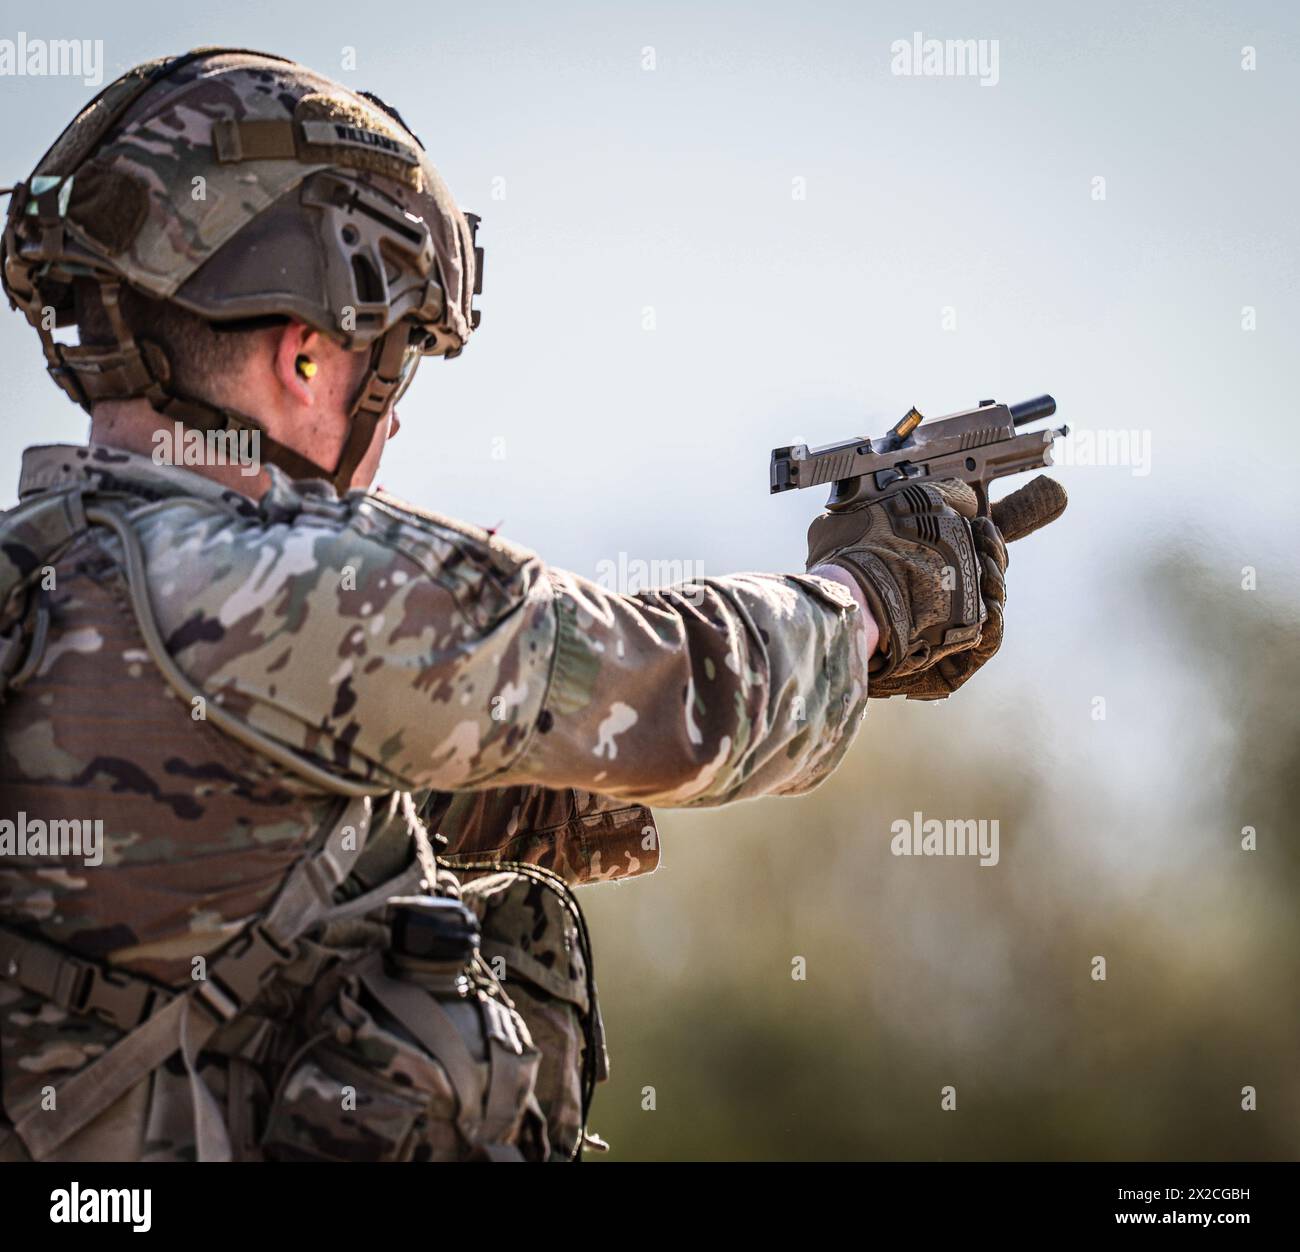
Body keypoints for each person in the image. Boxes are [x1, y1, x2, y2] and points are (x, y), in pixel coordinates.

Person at [0, 48, 1065, 1162]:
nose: (394, 418)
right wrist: (878, 595)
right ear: (307, 357)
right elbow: (678, 684)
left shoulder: (50, 586)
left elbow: (276, 827)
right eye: (392, 364)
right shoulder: (288, 587)